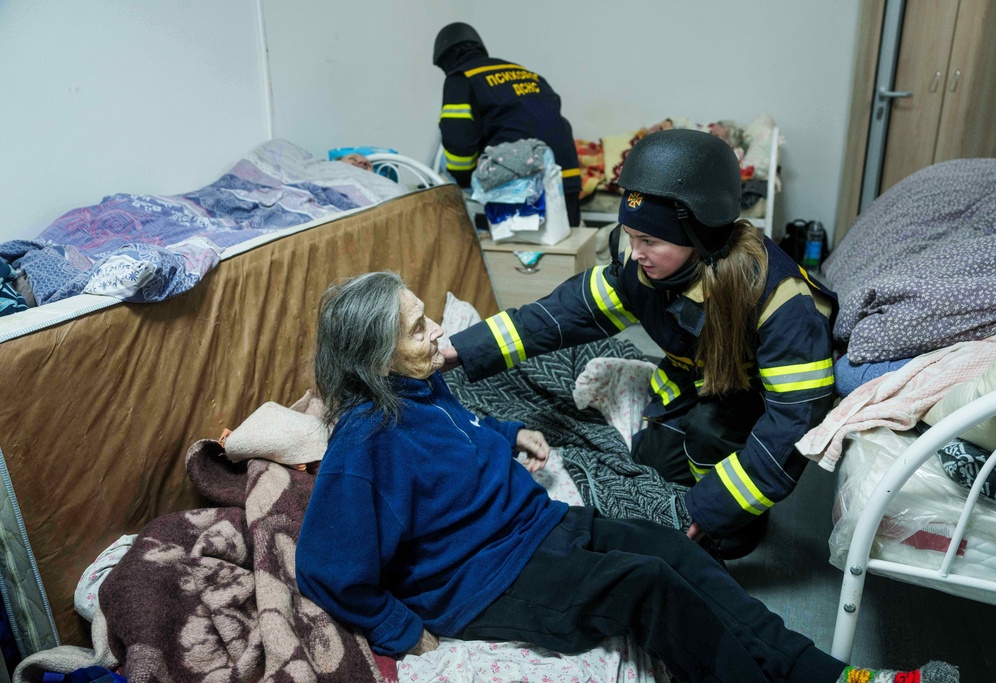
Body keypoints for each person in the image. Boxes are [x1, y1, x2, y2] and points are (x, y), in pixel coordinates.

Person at [294, 271, 957, 683]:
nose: (436, 330)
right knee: (647, 586)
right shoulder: (365, 441)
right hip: (484, 580)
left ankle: (827, 674)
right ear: (374, 360)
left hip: (536, 525)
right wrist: (400, 629)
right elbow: (325, 567)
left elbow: (454, 432)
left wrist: (505, 433)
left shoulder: (423, 386)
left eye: (424, 313)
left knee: (677, 550)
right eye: (417, 328)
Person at [442, 128, 838, 560]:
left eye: (649, 241)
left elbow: (793, 425)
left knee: (714, 466)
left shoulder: (782, 303)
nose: (635, 253)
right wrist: (462, 349)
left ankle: (739, 525)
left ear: (701, 236)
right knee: (651, 469)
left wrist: (710, 512)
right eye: (630, 236)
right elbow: (562, 314)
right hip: (687, 382)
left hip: (751, 404)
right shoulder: (642, 264)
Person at [432, 21, 583, 226]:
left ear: (447, 59)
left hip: (524, 186)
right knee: (565, 252)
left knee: (506, 254)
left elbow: (459, 141)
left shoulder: (461, 78)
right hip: (567, 178)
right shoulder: (526, 73)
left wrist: (467, 181)